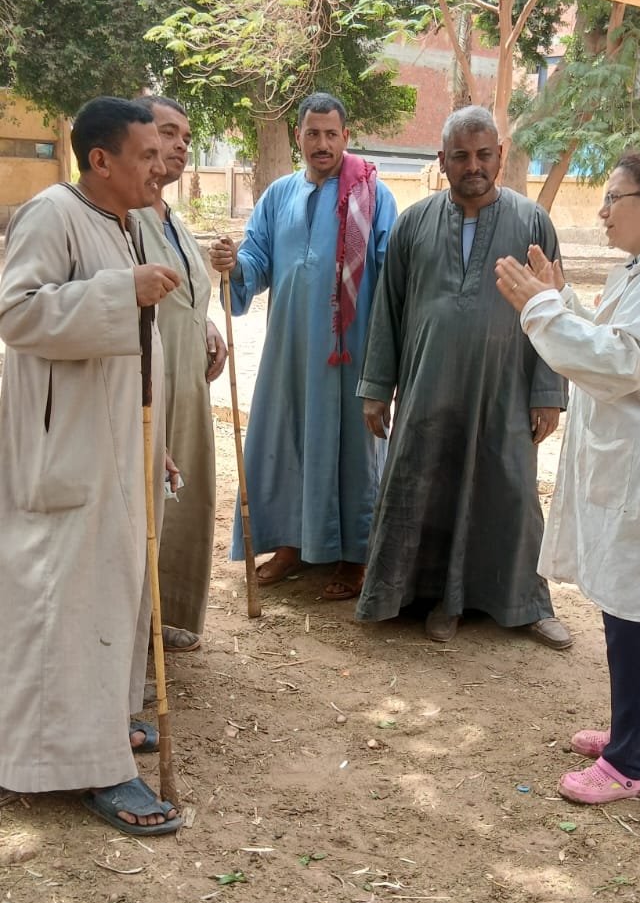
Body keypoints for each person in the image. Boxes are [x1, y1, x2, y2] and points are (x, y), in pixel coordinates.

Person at [495, 145, 640, 804]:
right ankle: (639, 735)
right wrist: (561, 299)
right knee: (630, 607)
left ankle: (632, 762)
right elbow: (609, 333)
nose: (602, 212)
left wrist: (541, 310)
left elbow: (624, 361)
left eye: (612, 198)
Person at [0, 97, 184, 835]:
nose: (159, 167)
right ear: (101, 160)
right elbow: (16, 314)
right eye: (146, 155)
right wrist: (120, 292)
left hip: (116, 449)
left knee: (109, 595)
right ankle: (89, 765)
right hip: (67, 452)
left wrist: (153, 441)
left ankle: (100, 728)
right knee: (65, 604)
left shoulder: (125, 221)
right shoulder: (52, 213)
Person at [356, 106, 572, 647]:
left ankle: (525, 604)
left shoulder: (533, 223)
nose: (473, 166)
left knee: (512, 492)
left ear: (500, 155)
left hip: (504, 389)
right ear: (442, 160)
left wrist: (548, 392)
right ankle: (436, 600)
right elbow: (387, 311)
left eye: (483, 155)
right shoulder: (413, 223)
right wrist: (377, 389)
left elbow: (555, 310)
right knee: (423, 487)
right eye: (461, 156)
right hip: (428, 387)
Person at [209, 91, 397, 600]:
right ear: (298, 136)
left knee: (356, 448)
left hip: (351, 351)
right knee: (288, 437)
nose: (322, 143)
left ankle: (355, 556)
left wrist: (389, 357)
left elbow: (392, 272)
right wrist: (234, 263)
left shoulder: (373, 195)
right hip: (290, 350)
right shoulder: (278, 195)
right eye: (312, 133)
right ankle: (292, 544)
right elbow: (256, 259)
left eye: (331, 134)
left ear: (346, 136)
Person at [132, 95, 227, 653]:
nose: (180, 146)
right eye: (168, 133)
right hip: (147, 389)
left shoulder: (174, 220)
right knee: (144, 506)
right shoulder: (124, 219)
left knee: (183, 503)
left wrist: (207, 326)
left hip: (188, 388)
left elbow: (185, 297)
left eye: (187, 138)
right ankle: (132, 627)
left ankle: (162, 615)